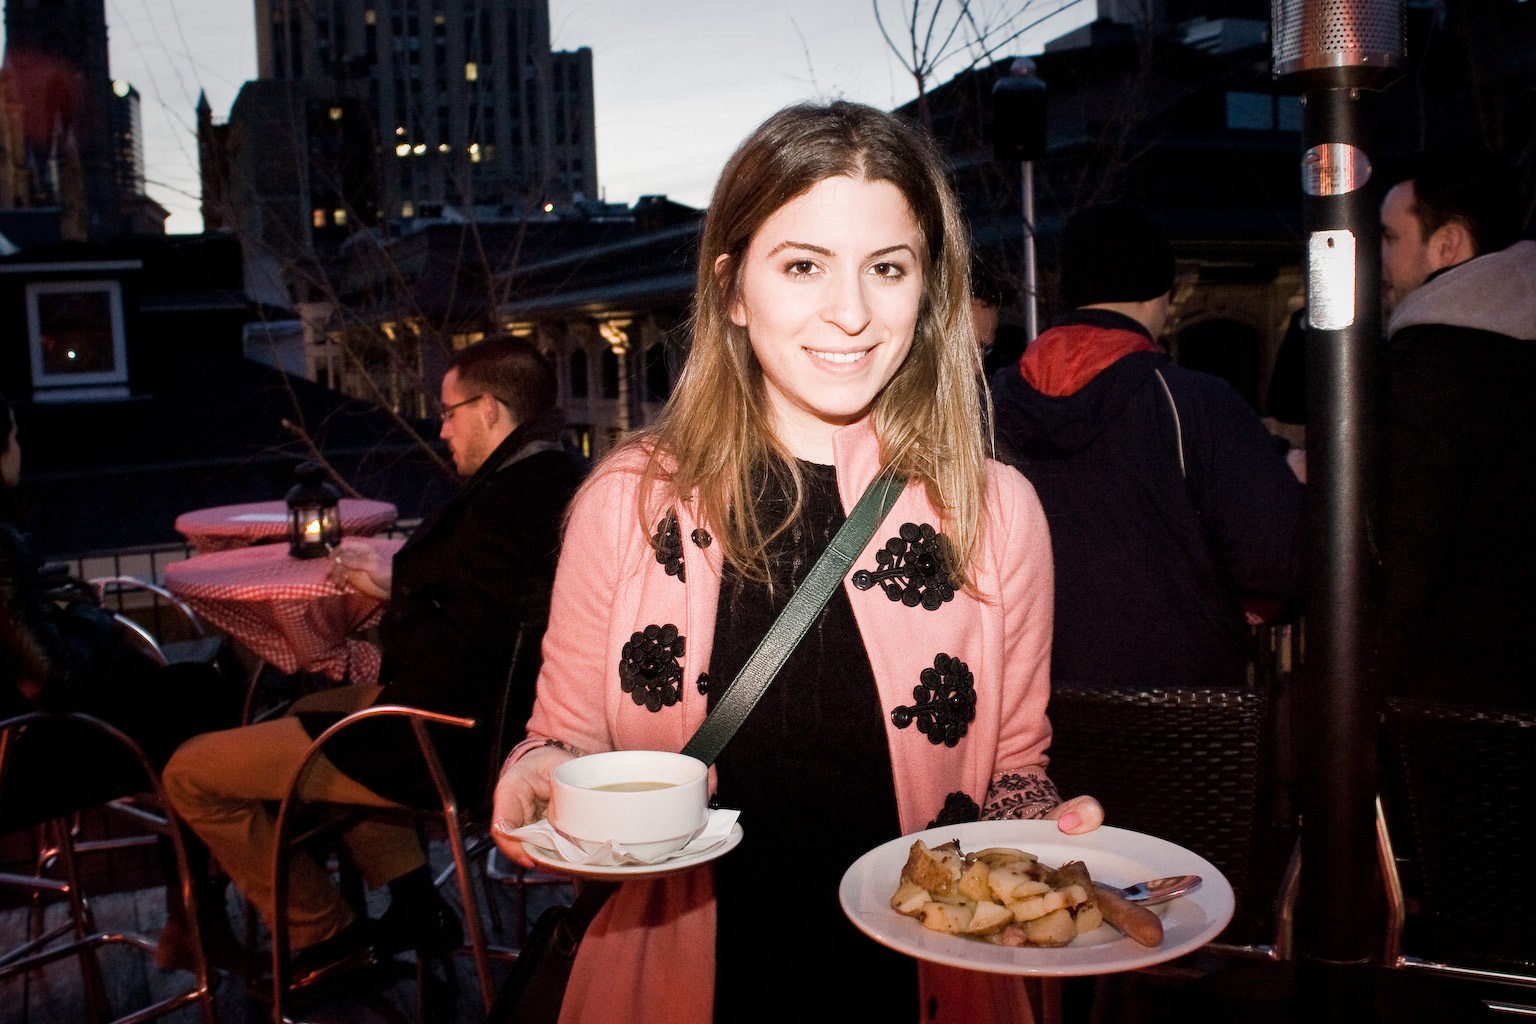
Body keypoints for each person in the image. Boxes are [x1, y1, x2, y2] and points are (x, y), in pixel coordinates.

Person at [491, 101, 1103, 1024]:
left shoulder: (997, 511)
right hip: (678, 984)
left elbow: (1015, 759)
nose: (850, 312)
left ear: (928, 290)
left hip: (926, 986)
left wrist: (1042, 829)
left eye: (887, 268)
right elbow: (564, 738)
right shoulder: (627, 500)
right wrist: (535, 775)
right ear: (734, 288)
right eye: (804, 265)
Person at [162, 335, 585, 993]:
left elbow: (462, 645)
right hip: (501, 731)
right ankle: (418, 905)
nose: (440, 428)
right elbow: (486, 608)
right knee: (307, 709)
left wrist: (401, 588)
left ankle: (325, 935)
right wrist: (412, 579)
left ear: (493, 410)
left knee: (188, 772)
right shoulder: (556, 480)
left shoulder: (506, 504)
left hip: (446, 740)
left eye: (450, 412)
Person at [989, 201, 1303, 689]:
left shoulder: (991, 404)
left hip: (1028, 708)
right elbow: (1278, 565)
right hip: (1177, 711)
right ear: (1160, 293)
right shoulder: (1193, 402)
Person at [1, 393, 244, 964]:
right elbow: (53, 683)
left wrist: (61, 610)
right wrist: (92, 620)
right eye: (11, 437)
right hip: (23, 758)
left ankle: (195, 917)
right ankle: (197, 917)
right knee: (198, 706)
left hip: (15, 740)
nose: (18, 450)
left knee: (185, 694)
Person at [1377, 149, 1535, 709]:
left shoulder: (1432, 364)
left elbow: (1406, 552)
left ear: (1448, 245)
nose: (1382, 260)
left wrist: (1366, 705)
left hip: (1453, 699)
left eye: (1392, 238)